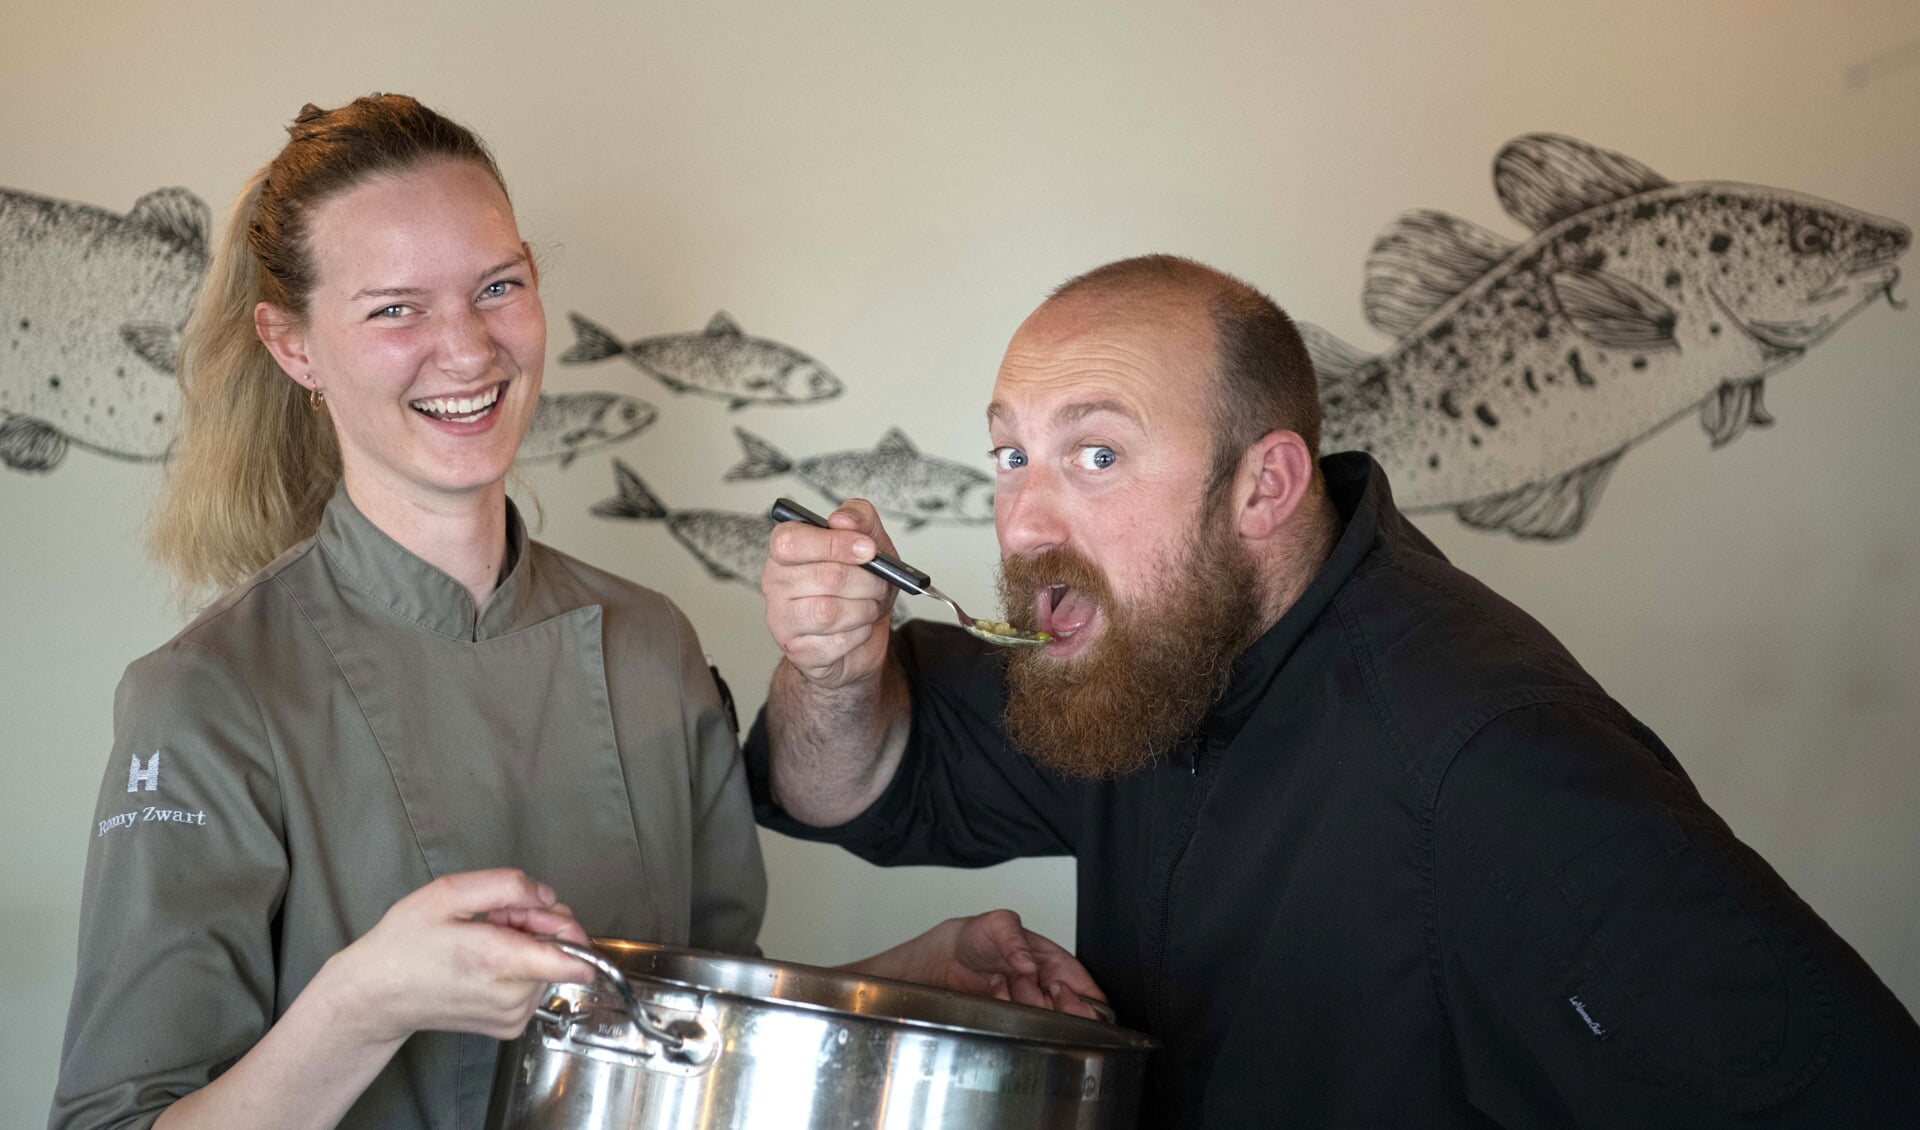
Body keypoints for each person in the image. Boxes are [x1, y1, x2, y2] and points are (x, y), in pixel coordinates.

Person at [52, 95, 1093, 1130]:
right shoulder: (206, 697)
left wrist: (912, 978)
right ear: (293, 347)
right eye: (395, 309)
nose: (468, 351)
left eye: (497, 287)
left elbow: (691, 1034)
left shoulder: (650, 643)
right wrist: (368, 1000)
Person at [750, 254, 1920, 1126]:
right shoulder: (1145, 655)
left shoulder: (1488, 761)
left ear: (1265, 485)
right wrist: (835, 669)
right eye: (1013, 455)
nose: (1024, 520)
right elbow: (844, 789)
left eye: (1096, 454)